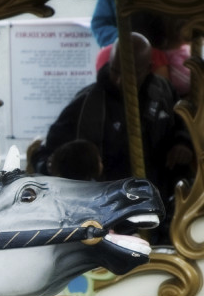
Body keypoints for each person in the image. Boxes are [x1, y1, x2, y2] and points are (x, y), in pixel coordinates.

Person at [30, 33, 193, 243]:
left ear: (148, 67)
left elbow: (184, 121)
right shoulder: (87, 103)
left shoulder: (163, 92)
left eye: (130, 74)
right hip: (107, 211)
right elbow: (48, 154)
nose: (119, 80)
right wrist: (50, 165)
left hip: (160, 202)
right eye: (116, 71)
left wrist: (183, 142)